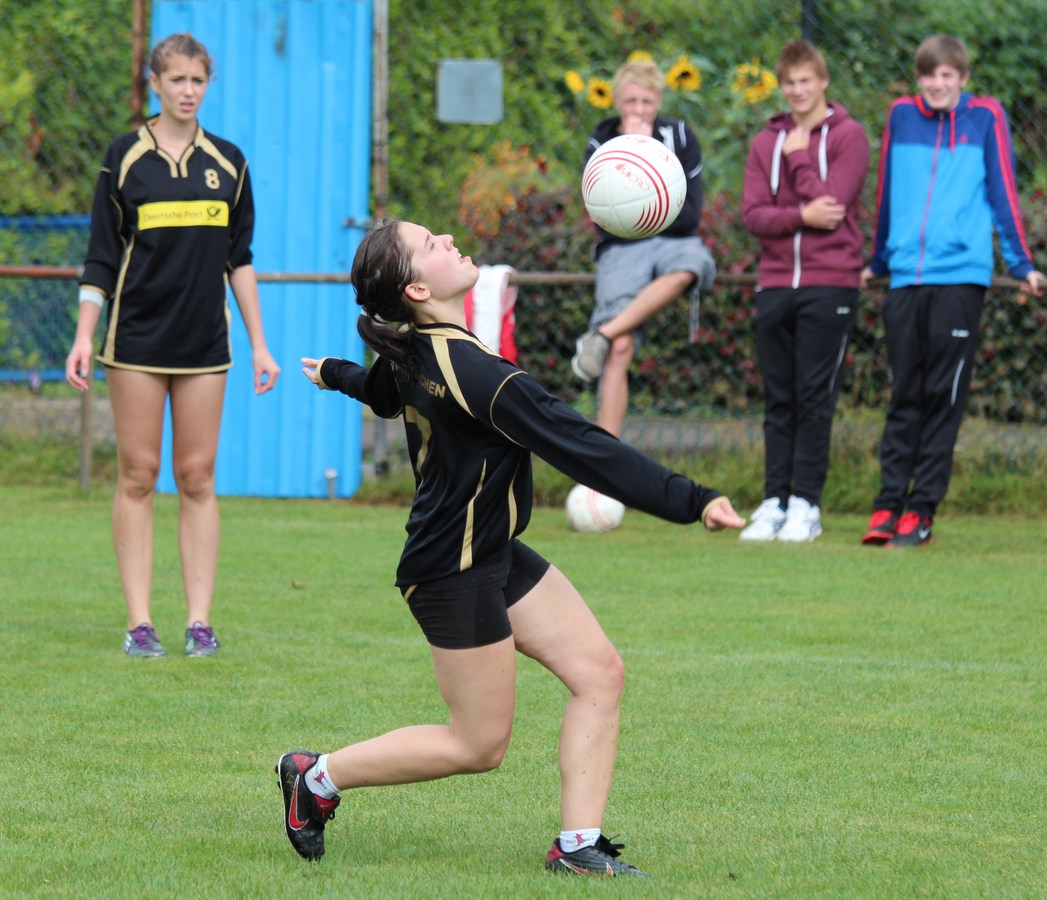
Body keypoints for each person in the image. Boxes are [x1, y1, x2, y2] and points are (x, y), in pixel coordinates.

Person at [279, 220, 745, 876]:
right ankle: (315, 777)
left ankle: (578, 846)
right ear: (417, 287)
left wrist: (337, 373)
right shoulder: (473, 371)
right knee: (478, 744)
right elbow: (587, 447)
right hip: (450, 569)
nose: (446, 238)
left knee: (599, 674)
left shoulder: (420, 346)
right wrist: (689, 498)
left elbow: (387, 390)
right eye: (430, 244)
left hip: (492, 550)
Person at [65, 33, 281, 657]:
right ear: (153, 82)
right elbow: (101, 259)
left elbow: (239, 261)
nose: (188, 91)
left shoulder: (230, 163)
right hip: (133, 341)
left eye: (198, 80)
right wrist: (84, 335)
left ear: (207, 84)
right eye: (177, 80)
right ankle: (139, 624)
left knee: (197, 476)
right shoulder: (124, 158)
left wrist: (260, 345)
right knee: (138, 474)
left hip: (205, 345)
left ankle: (199, 622)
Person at [859, 34, 1044, 547]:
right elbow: (887, 192)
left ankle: (921, 510)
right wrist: (879, 260)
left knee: (944, 395)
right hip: (904, 278)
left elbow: (1003, 187)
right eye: (930, 75)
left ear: (963, 79)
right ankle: (886, 504)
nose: (939, 84)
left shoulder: (986, 117)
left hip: (961, 276)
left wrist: (1020, 262)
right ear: (918, 79)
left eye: (948, 75)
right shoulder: (901, 115)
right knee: (904, 394)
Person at [738, 40, 870, 542]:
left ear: (823, 81)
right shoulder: (763, 142)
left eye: (805, 81)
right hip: (774, 285)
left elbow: (832, 207)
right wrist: (799, 217)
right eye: (789, 82)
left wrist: (798, 162)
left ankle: (807, 506)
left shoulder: (849, 135)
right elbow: (754, 217)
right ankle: (774, 501)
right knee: (780, 397)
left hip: (829, 283)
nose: (797, 91)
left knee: (815, 397)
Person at [571, 60, 716, 437]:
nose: (639, 110)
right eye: (631, 101)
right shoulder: (600, 144)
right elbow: (603, 218)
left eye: (647, 102)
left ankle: (599, 335)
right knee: (619, 349)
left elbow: (690, 216)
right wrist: (629, 154)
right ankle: (605, 464)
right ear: (617, 101)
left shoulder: (681, 137)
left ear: (659, 102)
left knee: (693, 264)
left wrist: (649, 152)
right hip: (622, 246)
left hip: (675, 241)